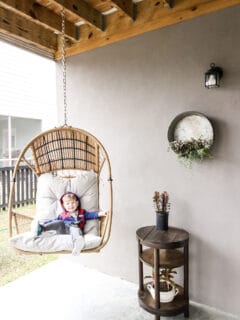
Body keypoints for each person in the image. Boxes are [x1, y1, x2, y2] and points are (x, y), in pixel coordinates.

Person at [40, 192, 107, 255]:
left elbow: (90, 215)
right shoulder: (62, 215)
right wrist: (45, 223)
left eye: (73, 203)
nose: (71, 205)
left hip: (74, 228)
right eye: (68, 203)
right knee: (58, 222)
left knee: (75, 228)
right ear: (64, 205)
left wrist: (99, 214)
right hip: (63, 230)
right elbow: (54, 221)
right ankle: (42, 228)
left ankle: (78, 244)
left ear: (77, 203)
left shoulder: (81, 213)